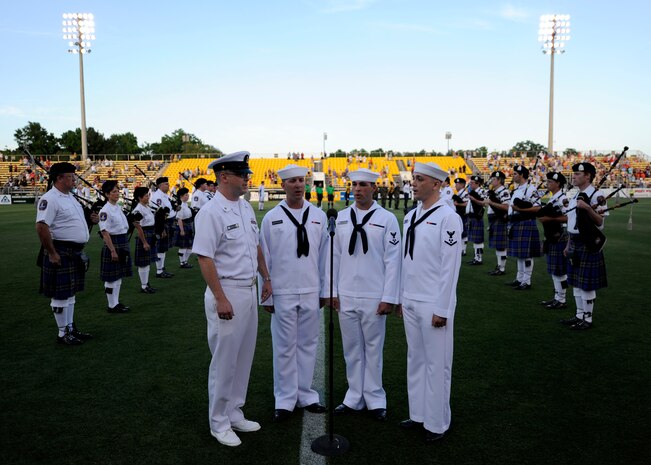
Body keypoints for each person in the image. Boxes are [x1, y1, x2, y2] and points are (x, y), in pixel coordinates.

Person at [192, 151, 273, 447]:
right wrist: (220, 297)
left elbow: (256, 246)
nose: (247, 179)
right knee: (224, 360)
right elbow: (205, 258)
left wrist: (266, 277)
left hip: (249, 288)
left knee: (243, 357)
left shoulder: (245, 208)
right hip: (226, 291)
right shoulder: (210, 212)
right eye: (242, 174)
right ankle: (218, 422)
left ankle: (234, 411)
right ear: (224, 177)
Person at [326, 168, 401, 422]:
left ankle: (375, 398)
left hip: (374, 294)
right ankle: (353, 396)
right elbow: (333, 256)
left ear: (374, 188)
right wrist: (332, 291)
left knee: (373, 348)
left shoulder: (387, 218)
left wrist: (389, 297)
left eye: (363, 185)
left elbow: (393, 261)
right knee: (351, 349)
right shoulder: (341, 217)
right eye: (355, 185)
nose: (358, 189)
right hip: (345, 294)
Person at [397, 162, 462, 443]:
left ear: (436, 184)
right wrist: (401, 297)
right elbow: (405, 261)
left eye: (419, 179)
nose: (413, 183)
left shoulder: (448, 217)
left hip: (433, 302)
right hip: (411, 298)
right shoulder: (410, 216)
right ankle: (419, 414)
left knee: (437, 364)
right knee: (416, 360)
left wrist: (443, 308)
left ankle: (437, 423)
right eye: (413, 179)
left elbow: (450, 267)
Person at [259, 164, 328, 423]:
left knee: (308, 344)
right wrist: (265, 295)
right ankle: (285, 399)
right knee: (284, 347)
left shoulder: (318, 215)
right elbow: (263, 258)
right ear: (283, 185)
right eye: (292, 181)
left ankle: (306, 395)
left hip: (311, 289)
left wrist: (325, 289)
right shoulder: (271, 217)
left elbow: (324, 257)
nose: (298, 185)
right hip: (282, 291)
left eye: (301, 180)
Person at [35, 162, 98, 345]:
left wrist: (91, 220)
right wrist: (52, 252)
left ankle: (70, 328)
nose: (74, 179)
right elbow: (41, 227)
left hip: (73, 252)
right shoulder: (50, 199)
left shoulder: (70, 197)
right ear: (59, 178)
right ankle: (63, 334)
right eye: (70, 176)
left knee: (70, 294)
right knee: (60, 295)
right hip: (60, 251)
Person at [561, 163, 608, 330]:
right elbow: (571, 223)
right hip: (574, 241)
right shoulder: (576, 195)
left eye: (577, 174)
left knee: (586, 283)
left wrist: (588, 207)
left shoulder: (597, 195)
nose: (574, 176)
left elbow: (600, 222)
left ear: (587, 176)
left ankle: (587, 319)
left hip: (587, 242)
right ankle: (579, 315)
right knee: (576, 281)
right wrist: (568, 244)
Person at [98, 180, 132, 313]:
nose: (117, 194)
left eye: (118, 191)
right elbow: (104, 232)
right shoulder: (105, 210)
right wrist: (112, 250)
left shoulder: (117, 206)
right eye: (114, 192)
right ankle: (111, 305)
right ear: (107, 194)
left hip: (122, 241)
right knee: (111, 277)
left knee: (119, 275)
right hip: (114, 242)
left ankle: (116, 302)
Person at [507, 165, 542, 290]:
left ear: (522, 175)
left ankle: (526, 281)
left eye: (515, 174)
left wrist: (520, 209)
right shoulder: (517, 189)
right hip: (516, 222)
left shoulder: (530, 189)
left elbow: (537, 207)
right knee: (520, 254)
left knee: (526, 254)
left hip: (525, 222)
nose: (513, 175)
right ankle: (519, 278)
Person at [538, 172, 569, 309]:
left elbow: (568, 218)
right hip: (551, 235)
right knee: (554, 269)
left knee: (559, 270)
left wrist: (550, 219)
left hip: (560, 235)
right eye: (548, 181)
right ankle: (557, 297)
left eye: (551, 181)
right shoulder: (552, 198)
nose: (548, 183)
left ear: (558, 184)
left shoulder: (563, 199)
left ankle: (561, 299)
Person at [483, 171, 511, 276]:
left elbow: (506, 207)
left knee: (501, 246)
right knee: (498, 246)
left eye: (493, 179)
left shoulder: (504, 191)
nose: (491, 181)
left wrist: (491, 202)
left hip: (499, 219)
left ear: (499, 180)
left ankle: (502, 268)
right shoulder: (495, 191)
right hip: (493, 220)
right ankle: (499, 266)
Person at [132, 187, 157, 294]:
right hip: (144, 234)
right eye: (146, 195)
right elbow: (139, 228)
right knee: (143, 263)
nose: (148, 197)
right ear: (139, 197)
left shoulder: (146, 207)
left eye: (148, 195)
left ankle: (146, 284)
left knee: (147, 262)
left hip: (150, 233)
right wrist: (144, 242)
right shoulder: (138, 210)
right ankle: (143, 286)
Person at [150, 177, 176, 278]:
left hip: (168, 222)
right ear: (160, 185)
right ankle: (159, 271)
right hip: (163, 223)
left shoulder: (164, 195)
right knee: (161, 248)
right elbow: (159, 215)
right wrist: (162, 228)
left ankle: (161, 268)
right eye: (166, 184)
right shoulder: (158, 197)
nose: (168, 185)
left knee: (164, 248)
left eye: (168, 183)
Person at [465, 175, 487, 265]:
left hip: (477, 217)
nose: (470, 184)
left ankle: (479, 258)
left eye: (472, 183)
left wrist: (473, 198)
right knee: (475, 239)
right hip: (471, 217)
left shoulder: (482, 191)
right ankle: (476, 257)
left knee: (478, 239)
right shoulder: (472, 191)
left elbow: (483, 203)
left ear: (477, 183)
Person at [174, 187, 194, 269]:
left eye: (187, 195)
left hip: (189, 225)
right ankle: (182, 262)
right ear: (181, 196)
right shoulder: (181, 206)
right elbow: (179, 219)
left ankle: (185, 261)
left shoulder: (186, 204)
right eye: (186, 195)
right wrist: (182, 230)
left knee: (189, 246)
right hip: (184, 226)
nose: (187, 196)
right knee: (183, 246)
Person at [452, 178, 469, 255]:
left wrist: (457, 204)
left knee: (463, 232)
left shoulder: (464, 193)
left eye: (457, 184)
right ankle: (461, 248)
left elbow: (466, 204)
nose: (456, 185)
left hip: (463, 214)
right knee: (460, 231)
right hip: (458, 214)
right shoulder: (459, 193)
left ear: (462, 185)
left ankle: (463, 249)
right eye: (456, 184)